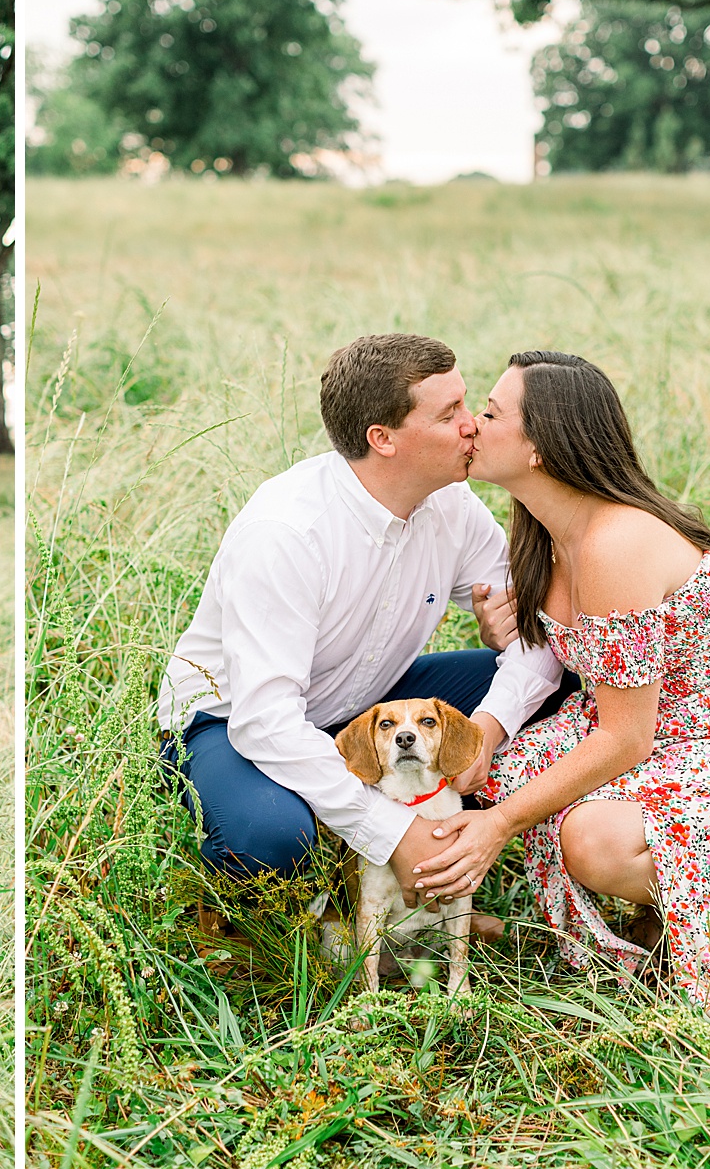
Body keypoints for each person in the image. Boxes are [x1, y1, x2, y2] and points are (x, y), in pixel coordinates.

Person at [412, 350, 710, 1031]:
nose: (470, 425)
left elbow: (626, 736)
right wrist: (497, 693)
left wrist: (499, 826)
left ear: (541, 448)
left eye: (491, 413)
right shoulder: (542, 531)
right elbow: (566, 655)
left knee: (590, 840)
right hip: (675, 721)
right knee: (504, 765)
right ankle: (424, 915)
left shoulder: (616, 544)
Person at [158, 333, 568, 905]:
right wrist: (391, 834)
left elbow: (537, 632)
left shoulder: (451, 505)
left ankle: (471, 839)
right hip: (228, 722)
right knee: (270, 837)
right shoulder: (287, 533)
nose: (472, 424)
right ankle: (257, 923)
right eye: (449, 413)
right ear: (384, 439)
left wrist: (488, 731)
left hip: (368, 702)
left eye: (466, 403)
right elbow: (265, 722)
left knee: (567, 685)